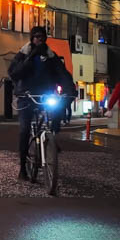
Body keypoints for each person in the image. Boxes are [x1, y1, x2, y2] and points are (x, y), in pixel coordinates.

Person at [7, 26, 75, 180]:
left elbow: (62, 74)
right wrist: (29, 59)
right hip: (26, 95)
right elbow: (13, 73)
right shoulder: (23, 54)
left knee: (56, 113)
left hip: (45, 95)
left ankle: (51, 139)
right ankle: (23, 167)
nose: (40, 40)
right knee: (24, 130)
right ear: (32, 38)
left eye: (42, 37)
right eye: (36, 37)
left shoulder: (51, 56)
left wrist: (70, 90)